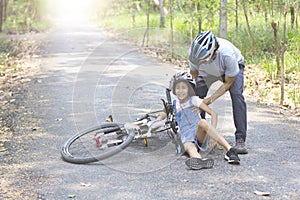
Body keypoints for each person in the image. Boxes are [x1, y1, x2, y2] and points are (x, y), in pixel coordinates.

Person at [149, 72, 240, 170]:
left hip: (199, 134)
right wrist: (156, 121)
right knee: (189, 147)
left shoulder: (194, 100)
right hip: (186, 137)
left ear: (189, 89)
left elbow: (214, 114)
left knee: (203, 122)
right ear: (174, 90)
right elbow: (164, 114)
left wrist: (213, 138)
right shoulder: (174, 104)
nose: (181, 91)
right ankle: (198, 160)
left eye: (184, 88)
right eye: (178, 88)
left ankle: (230, 150)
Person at [188, 31, 248, 154]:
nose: (201, 63)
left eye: (204, 61)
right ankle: (201, 134)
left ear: (214, 54)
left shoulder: (227, 55)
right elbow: (194, 75)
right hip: (207, 74)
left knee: (237, 95)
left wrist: (208, 100)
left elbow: (229, 82)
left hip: (229, 70)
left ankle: (240, 139)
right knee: (196, 97)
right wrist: (197, 100)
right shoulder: (193, 55)